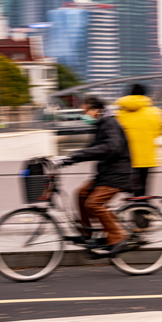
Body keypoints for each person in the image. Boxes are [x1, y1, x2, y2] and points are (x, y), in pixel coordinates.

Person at [58, 97, 132, 256]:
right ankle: (87, 234)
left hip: (117, 174)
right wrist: (70, 158)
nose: (84, 115)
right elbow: (92, 148)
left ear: (96, 110)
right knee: (81, 194)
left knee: (94, 203)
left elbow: (111, 147)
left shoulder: (110, 123)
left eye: (86, 111)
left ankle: (118, 238)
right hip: (106, 173)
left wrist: (77, 156)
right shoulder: (102, 124)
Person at [114, 84, 162, 197]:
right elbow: (159, 132)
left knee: (125, 190)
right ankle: (141, 211)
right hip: (146, 158)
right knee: (142, 192)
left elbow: (115, 135)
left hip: (125, 159)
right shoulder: (155, 112)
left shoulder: (119, 113)